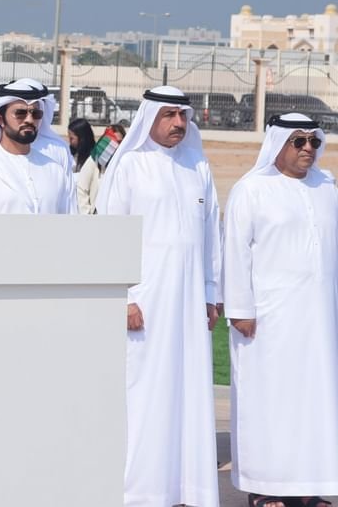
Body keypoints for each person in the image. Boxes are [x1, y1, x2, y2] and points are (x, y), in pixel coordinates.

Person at [95, 86, 221, 507]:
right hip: (147, 300)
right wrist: (125, 297)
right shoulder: (129, 165)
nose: (178, 123)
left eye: (183, 115)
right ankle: (143, 492)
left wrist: (210, 293)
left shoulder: (197, 165)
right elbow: (112, 235)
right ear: (150, 118)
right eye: (169, 115)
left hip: (190, 301)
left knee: (190, 392)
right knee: (147, 393)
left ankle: (188, 490)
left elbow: (211, 234)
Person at [223, 114, 338, 507]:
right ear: (278, 144)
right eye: (298, 141)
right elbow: (235, 252)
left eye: (313, 141)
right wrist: (240, 308)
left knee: (314, 403)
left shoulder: (326, 187)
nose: (308, 148)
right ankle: (265, 487)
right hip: (268, 321)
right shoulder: (252, 189)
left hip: (319, 320)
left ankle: (307, 490)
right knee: (270, 403)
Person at [0, 80, 76, 214]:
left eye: (36, 114)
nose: (29, 120)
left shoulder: (54, 170)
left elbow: (69, 220)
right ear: (0, 119)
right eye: (20, 113)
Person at [76, 123, 125, 214]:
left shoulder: (125, 163)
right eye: (111, 141)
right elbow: (81, 188)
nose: (114, 145)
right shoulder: (94, 160)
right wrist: (87, 213)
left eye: (119, 142)